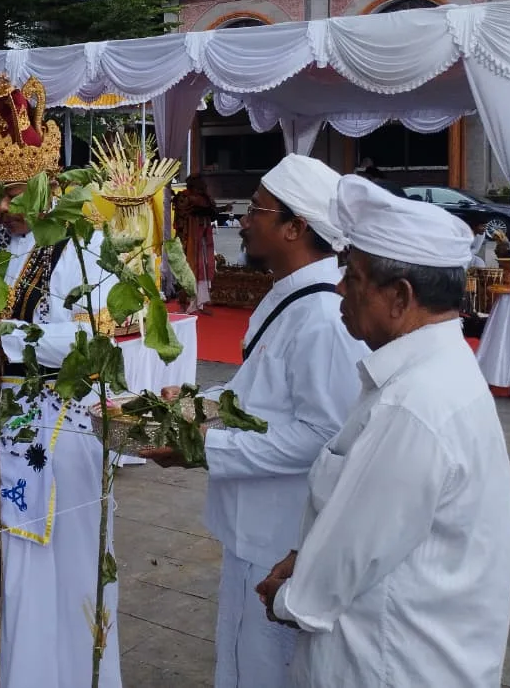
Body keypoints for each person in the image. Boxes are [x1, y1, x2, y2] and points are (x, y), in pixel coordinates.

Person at [257, 175, 510, 687]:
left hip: (389, 663)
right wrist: (307, 558)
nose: (339, 288)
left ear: (399, 297)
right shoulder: (432, 370)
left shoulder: (414, 404)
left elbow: (340, 566)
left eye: (353, 277)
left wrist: (287, 597)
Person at [142, 154, 365, 688]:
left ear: (295, 228)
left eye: (256, 210)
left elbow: (324, 437)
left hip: (281, 532)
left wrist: (204, 447)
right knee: (243, 658)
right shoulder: (291, 297)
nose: (242, 221)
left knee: (269, 666)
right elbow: (261, 395)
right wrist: (197, 405)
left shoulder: (322, 318)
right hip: (255, 525)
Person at [0, 73, 121, 688]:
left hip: (58, 423)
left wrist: (2, 332)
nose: (1, 207)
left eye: (13, 192)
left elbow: (92, 344)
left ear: (46, 183)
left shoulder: (83, 243)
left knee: (53, 565)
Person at [173, 175, 218, 311]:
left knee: (201, 268)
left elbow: (211, 212)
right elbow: (190, 211)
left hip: (202, 239)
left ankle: (199, 301)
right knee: (187, 268)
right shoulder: (185, 197)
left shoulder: (204, 199)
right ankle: (185, 302)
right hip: (189, 239)